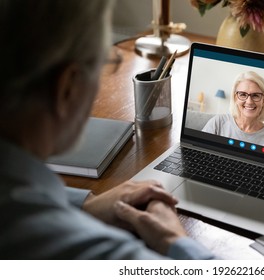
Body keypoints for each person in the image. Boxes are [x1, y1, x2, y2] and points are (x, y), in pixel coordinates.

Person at [0, 0, 215, 259]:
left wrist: (86, 204)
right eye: (105, 62)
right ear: (67, 88)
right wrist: (174, 240)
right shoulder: (92, 252)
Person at [202, 71, 264, 149]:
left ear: (263, 101)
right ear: (235, 98)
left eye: (255, 95)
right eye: (243, 95)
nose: (249, 102)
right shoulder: (218, 123)